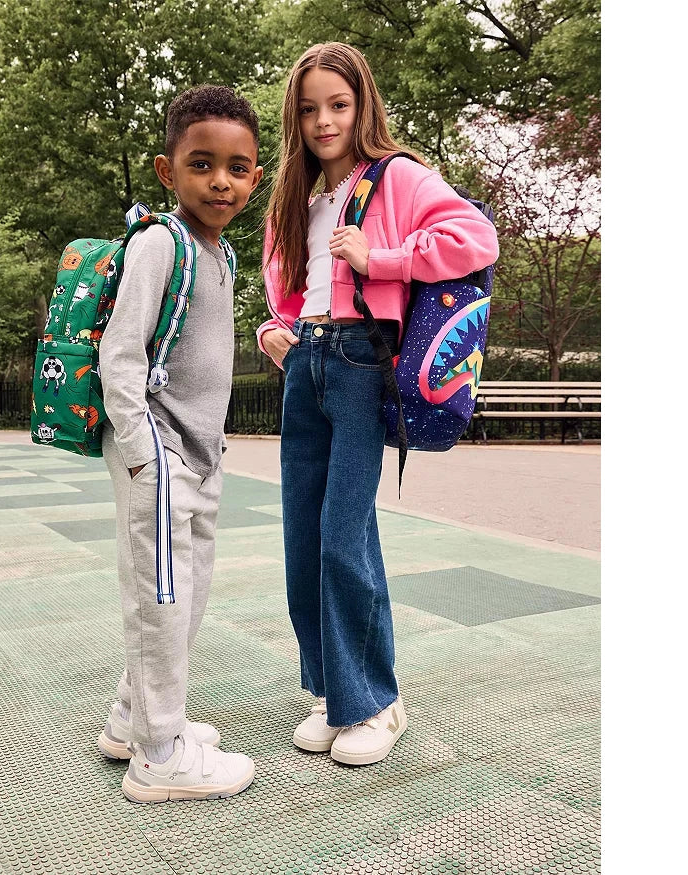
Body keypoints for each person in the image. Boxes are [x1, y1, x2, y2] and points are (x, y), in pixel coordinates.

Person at [257, 43, 499, 766]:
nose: (323, 121)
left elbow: (475, 237)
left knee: (344, 535)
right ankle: (334, 693)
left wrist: (380, 259)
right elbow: (287, 287)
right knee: (303, 537)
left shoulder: (396, 176)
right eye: (309, 109)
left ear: (362, 105)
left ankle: (376, 702)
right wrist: (274, 330)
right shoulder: (295, 196)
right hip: (306, 362)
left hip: (364, 364)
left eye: (338, 104)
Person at [96, 85, 263, 802]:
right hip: (159, 455)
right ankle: (159, 755)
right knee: (160, 600)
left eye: (237, 168)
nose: (220, 181)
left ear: (255, 177)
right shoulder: (161, 244)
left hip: (200, 456)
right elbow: (121, 356)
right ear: (168, 171)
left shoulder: (218, 253)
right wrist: (143, 455)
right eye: (202, 164)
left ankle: (131, 718)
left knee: (185, 596)